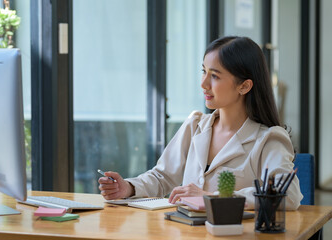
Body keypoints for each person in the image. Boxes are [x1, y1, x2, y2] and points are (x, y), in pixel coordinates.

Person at [98, 36, 303, 210]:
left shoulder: (269, 138)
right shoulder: (195, 125)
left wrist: (212, 197)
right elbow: (162, 177)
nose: (203, 84)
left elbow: (287, 195)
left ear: (244, 86)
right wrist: (129, 188)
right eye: (203, 71)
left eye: (214, 76)